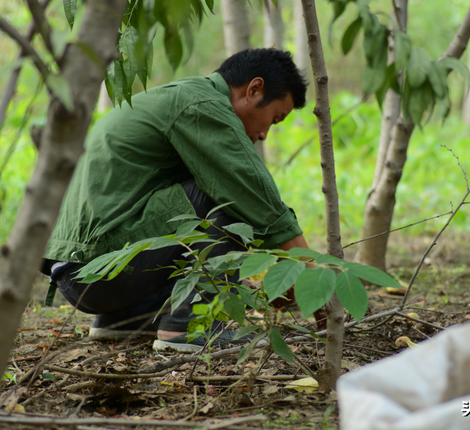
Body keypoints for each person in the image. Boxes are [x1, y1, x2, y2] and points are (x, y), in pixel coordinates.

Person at [41, 48, 310, 353]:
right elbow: (253, 192)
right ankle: (188, 328)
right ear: (254, 89)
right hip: (101, 270)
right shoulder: (203, 105)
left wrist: (231, 276)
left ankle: (126, 319)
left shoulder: (179, 97)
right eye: (274, 119)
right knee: (230, 194)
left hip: (78, 275)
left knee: (218, 189)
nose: (264, 135)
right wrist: (307, 269)